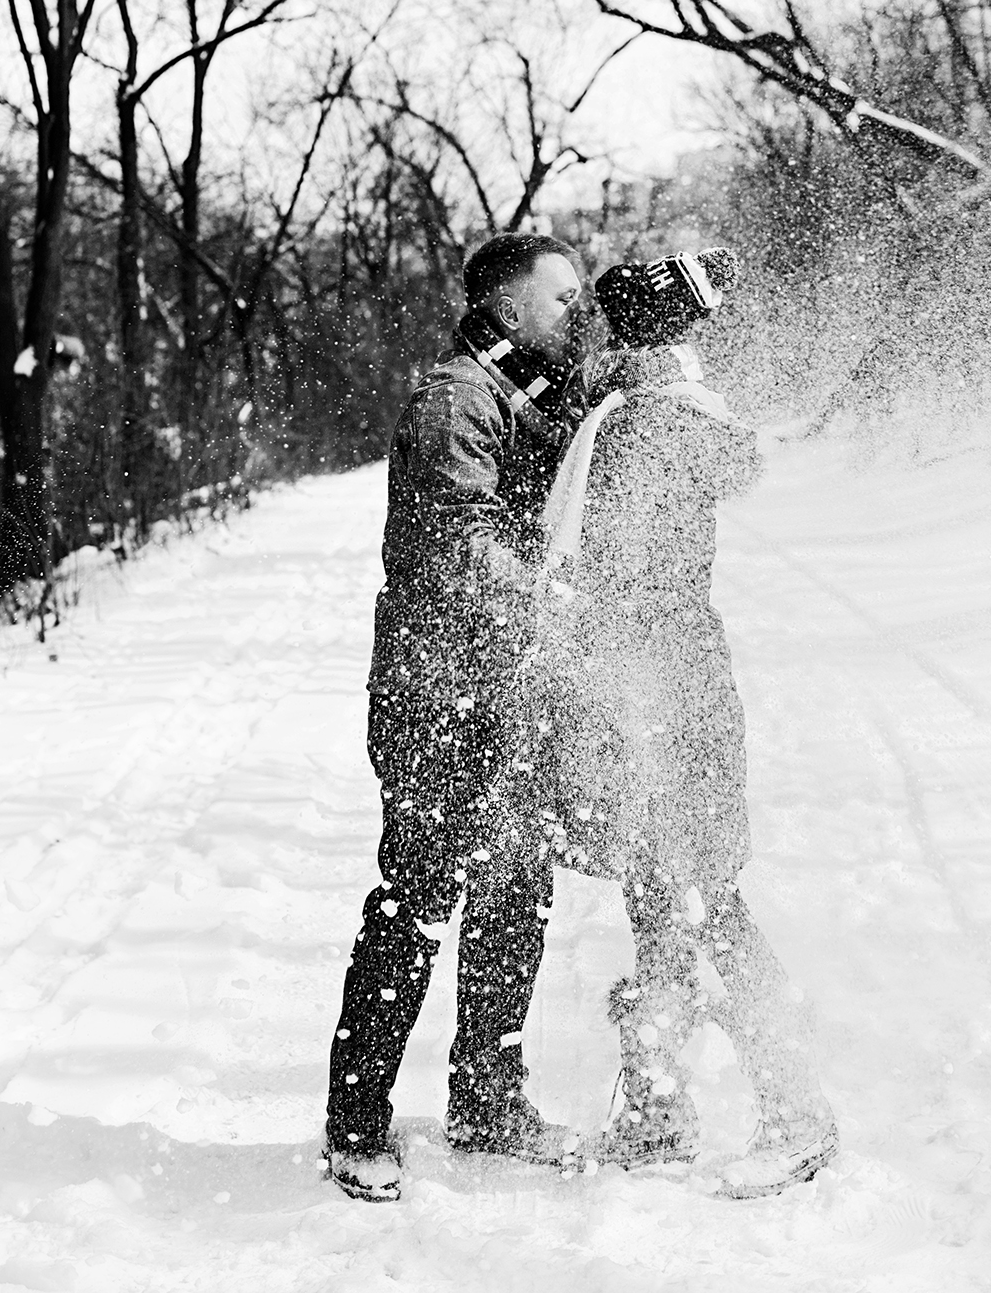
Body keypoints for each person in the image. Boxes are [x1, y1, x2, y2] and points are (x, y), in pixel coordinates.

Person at [530, 248, 838, 1198]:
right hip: (653, 681)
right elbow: (730, 456)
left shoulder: (641, 423)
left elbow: (620, 568)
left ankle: (796, 1112)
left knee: (699, 896)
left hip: (663, 688)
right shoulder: (647, 416)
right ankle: (657, 1110)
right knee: (664, 897)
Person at [322, 231, 588, 1203]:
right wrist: (552, 603)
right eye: (563, 298)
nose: (578, 311)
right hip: (437, 696)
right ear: (510, 311)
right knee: (417, 899)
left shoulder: (529, 393)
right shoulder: (455, 401)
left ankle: (488, 1099)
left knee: (516, 893)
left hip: (510, 690)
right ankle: (354, 1123)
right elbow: (459, 542)